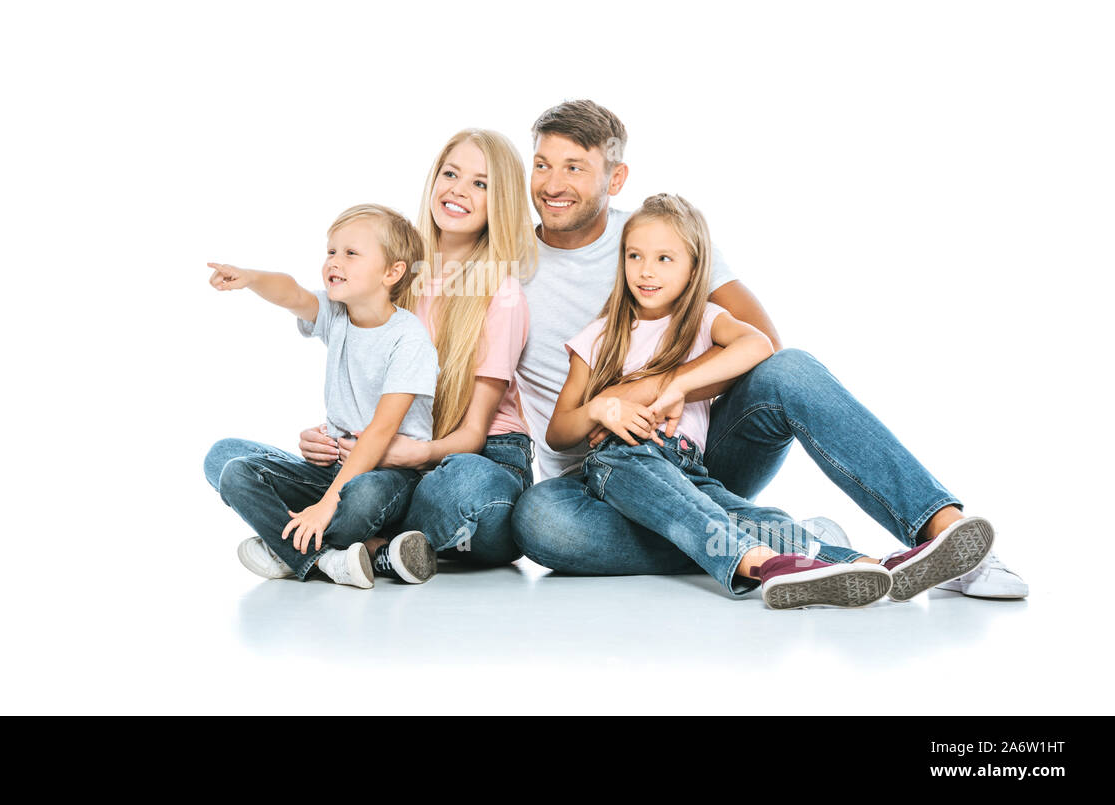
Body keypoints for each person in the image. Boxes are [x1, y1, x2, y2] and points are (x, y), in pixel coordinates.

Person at [512, 99, 1027, 599]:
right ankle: (806, 548)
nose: (554, 185)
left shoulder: (653, 234)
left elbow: (763, 345)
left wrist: (656, 388)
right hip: (594, 481)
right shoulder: (505, 262)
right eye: (542, 165)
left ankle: (949, 540)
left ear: (615, 177)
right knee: (539, 523)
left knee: (792, 371)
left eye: (575, 167)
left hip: (697, 456)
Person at [546, 193, 995, 607]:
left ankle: (870, 566)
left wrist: (676, 385)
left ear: (694, 267)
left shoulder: (704, 319)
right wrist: (600, 408)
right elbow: (558, 432)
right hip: (620, 461)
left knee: (726, 510)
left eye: (665, 259)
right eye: (635, 257)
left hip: (688, 465)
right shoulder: (601, 334)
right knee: (664, 488)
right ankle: (786, 562)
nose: (646, 271)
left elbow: (759, 345)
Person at [299, 130, 540, 568]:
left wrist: (418, 455)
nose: (458, 190)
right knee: (233, 460)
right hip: (397, 455)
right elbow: (370, 393)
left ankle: (361, 536)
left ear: (499, 202)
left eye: (480, 183)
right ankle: (379, 545)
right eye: (451, 173)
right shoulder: (392, 273)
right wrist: (331, 440)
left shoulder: (501, 295)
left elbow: (473, 433)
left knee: (465, 487)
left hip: (481, 454)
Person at [202, 204, 439, 589]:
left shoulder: (408, 339)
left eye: (351, 253)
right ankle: (331, 557)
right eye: (331, 251)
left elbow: (380, 432)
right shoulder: (335, 313)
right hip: (330, 471)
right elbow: (291, 292)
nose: (334, 261)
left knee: (360, 498)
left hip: (387, 477)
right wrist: (249, 277)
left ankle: (290, 545)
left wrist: (327, 504)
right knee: (225, 460)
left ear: (392, 272)